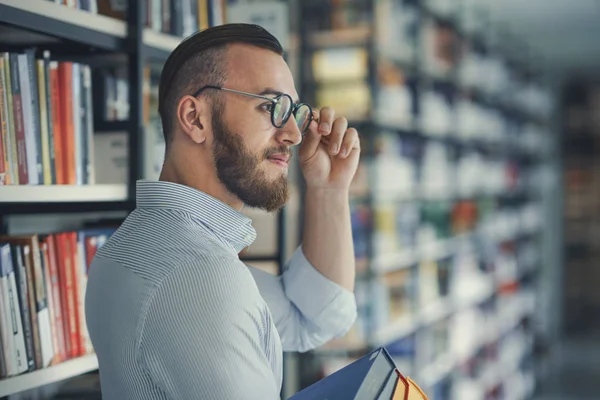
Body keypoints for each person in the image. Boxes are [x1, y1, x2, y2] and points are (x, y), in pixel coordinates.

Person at [85, 23, 360, 399]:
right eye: (270, 106)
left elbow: (313, 318)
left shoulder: (146, 244)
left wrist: (329, 189)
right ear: (195, 119)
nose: (295, 135)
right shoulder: (199, 275)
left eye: (293, 111)